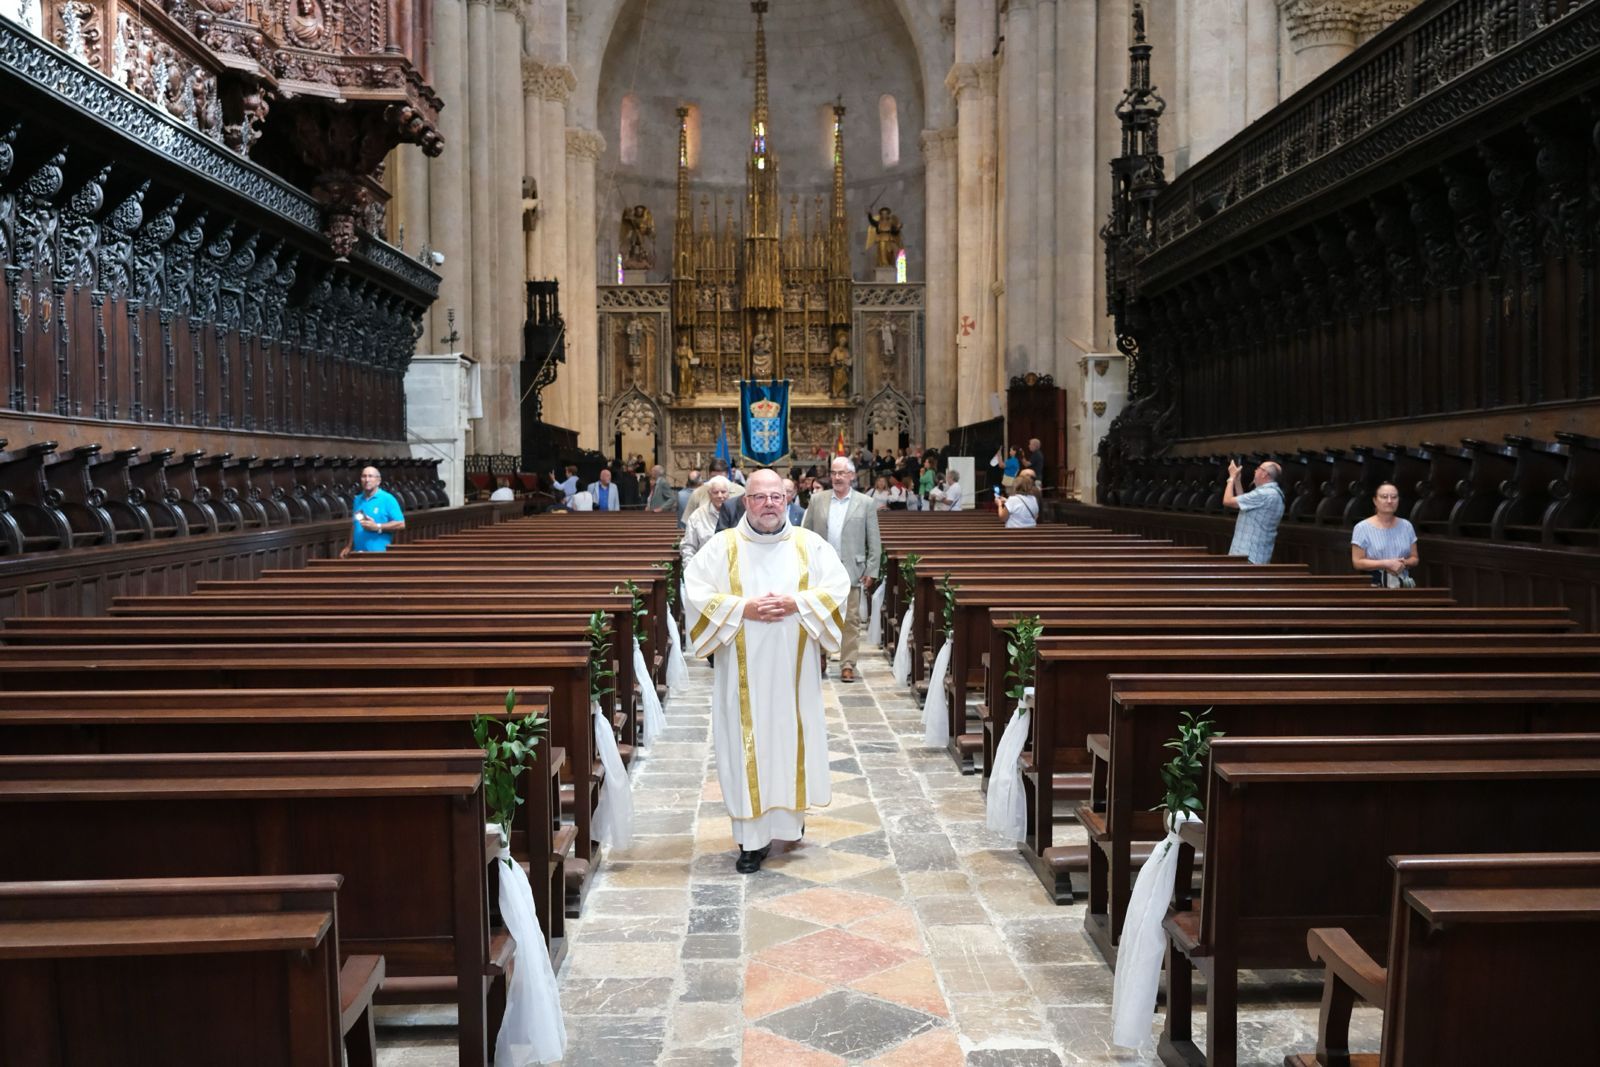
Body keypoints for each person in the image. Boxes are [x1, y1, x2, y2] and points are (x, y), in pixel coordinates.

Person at [683, 468, 850, 873]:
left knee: (790, 738)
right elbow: (694, 588)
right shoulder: (723, 547)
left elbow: (837, 586)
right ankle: (751, 840)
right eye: (760, 497)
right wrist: (744, 608)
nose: (769, 505)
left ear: (788, 499)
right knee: (745, 747)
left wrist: (797, 604)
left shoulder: (810, 545)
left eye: (776, 497)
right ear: (746, 502)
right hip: (742, 675)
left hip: (795, 673)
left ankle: (789, 821)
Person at [801, 456, 882, 684]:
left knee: (850, 619)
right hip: (821, 569)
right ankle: (821, 657)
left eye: (842, 473)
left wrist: (872, 569)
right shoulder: (818, 500)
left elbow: (873, 540)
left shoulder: (865, 503)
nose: (837, 477)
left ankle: (848, 664)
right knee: (819, 615)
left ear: (852, 476)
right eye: (834, 473)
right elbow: (805, 534)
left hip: (851, 569)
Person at [1351, 482, 1419, 587]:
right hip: (1374, 585)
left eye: (1394, 497)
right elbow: (1357, 562)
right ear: (1375, 500)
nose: (1389, 501)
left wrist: (1404, 562)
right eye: (1384, 497)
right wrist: (1386, 564)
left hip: (1403, 585)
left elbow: (1415, 558)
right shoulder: (1362, 528)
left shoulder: (1407, 526)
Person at [1223, 458, 1285, 564]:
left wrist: (1231, 478)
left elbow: (1227, 501)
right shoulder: (1273, 493)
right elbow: (1242, 504)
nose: (1255, 471)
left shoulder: (1265, 494)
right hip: (1254, 555)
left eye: (1258, 468)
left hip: (1247, 556)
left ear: (1264, 474)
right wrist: (1238, 481)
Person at [341, 465, 406, 557]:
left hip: (378, 554)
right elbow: (355, 525)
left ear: (378, 481)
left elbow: (401, 524)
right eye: (364, 476)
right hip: (358, 552)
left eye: (370, 476)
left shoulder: (387, 499)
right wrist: (349, 546)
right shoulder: (358, 499)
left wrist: (377, 526)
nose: (367, 480)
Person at [681, 476, 731, 565]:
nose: (720, 496)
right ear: (709, 494)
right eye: (715, 492)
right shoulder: (697, 516)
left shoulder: (739, 513)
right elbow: (688, 546)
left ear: (729, 493)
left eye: (723, 492)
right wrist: (690, 571)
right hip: (705, 568)